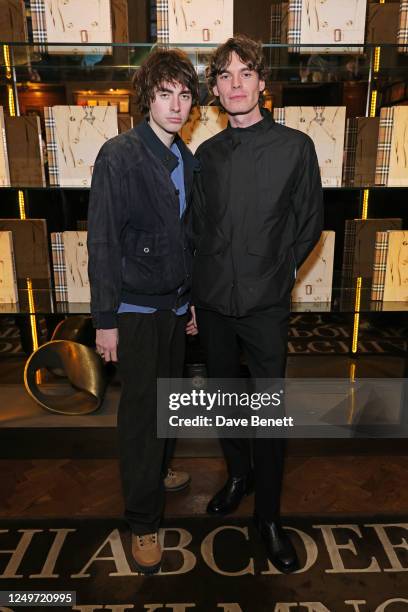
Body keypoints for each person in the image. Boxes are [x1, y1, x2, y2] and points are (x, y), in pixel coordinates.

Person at [192, 35, 323, 573]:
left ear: (263, 83)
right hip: (214, 304)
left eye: (246, 73)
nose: (236, 84)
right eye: (225, 76)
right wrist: (195, 298)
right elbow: (197, 231)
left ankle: (268, 517)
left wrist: (279, 274)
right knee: (224, 399)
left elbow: (309, 223)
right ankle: (237, 474)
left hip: (266, 306)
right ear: (217, 90)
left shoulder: (296, 147)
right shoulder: (206, 154)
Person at [87, 48, 199, 574]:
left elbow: (187, 239)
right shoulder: (120, 155)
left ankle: (158, 469)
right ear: (146, 97)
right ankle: (143, 521)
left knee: (169, 402)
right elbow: (103, 243)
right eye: (165, 93)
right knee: (140, 417)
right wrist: (105, 320)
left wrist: (189, 299)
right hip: (133, 310)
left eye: (184, 94)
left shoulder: (185, 159)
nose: (176, 105)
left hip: (173, 307)